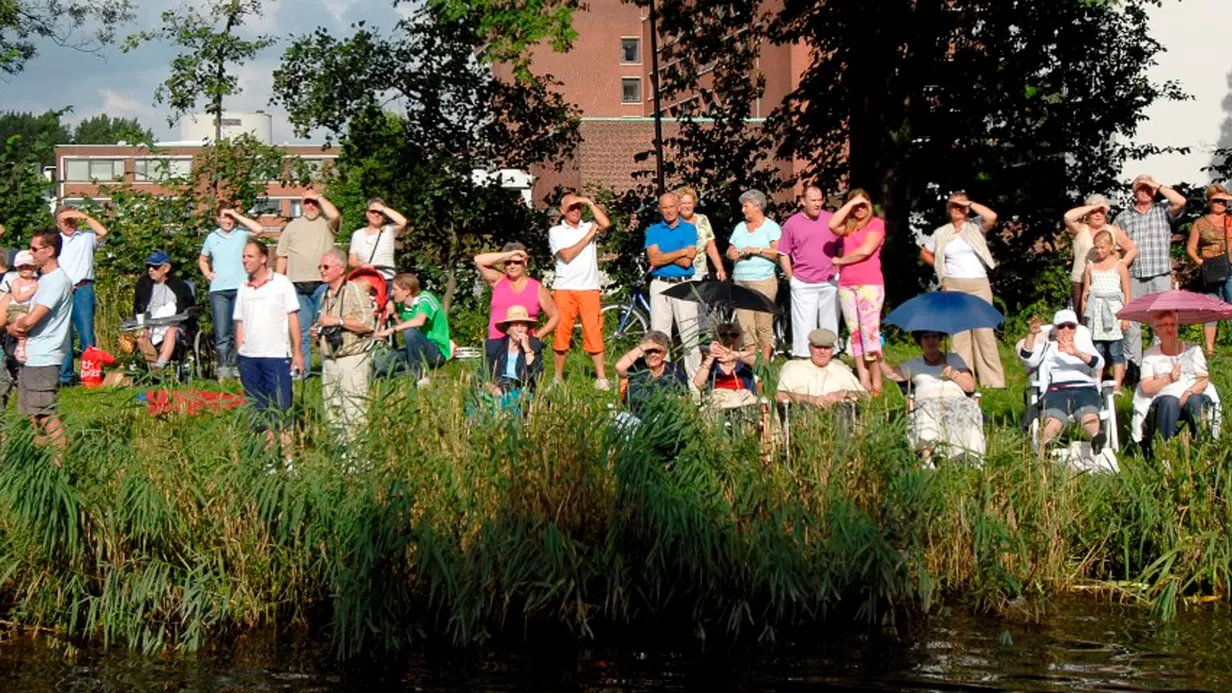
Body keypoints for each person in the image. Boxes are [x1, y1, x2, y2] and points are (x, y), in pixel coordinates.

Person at [920, 191, 1006, 389]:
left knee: (984, 332)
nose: (957, 210)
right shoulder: (942, 232)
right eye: (953, 207)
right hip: (953, 284)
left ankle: (992, 381)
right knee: (959, 334)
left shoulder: (975, 226)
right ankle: (963, 377)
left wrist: (969, 202)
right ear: (948, 210)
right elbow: (925, 252)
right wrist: (941, 268)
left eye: (961, 207)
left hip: (978, 283)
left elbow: (992, 217)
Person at [22, 207, 108, 386]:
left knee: (86, 334)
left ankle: (90, 375)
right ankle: (64, 376)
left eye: (71, 220)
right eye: (64, 221)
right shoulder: (54, 243)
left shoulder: (85, 237)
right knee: (63, 333)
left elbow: (103, 232)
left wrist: (83, 216)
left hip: (82, 288)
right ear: (57, 224)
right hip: (62, 289)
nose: (69, 224)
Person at [6, 229, 73, 454]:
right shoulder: (44, 280)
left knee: (45, 414)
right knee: (32, 414)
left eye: (35, 249)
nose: (30, 253)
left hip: (45, 355)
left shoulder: (56, 281)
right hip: (33, 354)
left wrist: (15, 326)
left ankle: (61, 463)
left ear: (50, 250)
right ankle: (39, 465)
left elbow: (32, 319)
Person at [234, 240, 304, 457]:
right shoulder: (243, 288)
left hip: (276, 356)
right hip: (249, 358)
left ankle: (289, 459)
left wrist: (298, 352)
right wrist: (240, 352)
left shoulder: (282, 284)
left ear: (263, 258)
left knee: (282, 410)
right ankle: (269, 460)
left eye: (250, 256)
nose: (245, 260)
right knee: (259, 413)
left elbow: (293, 319)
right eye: (244, 256)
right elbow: (240, 322)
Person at [1114, 174, 1187, 369]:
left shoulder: (1163, 210)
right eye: (1140, 188)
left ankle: (1160, 365)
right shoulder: (1122, 216)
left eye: (1148, 188)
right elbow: (1115, 246)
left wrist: (1157, 184)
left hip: (1159, 274)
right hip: (1133, 275)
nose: (1144, 191)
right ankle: (1135, 368)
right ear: (1133, 191)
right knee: (1132, 324)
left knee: (1162, 322)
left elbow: (1181, 201)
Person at [878, 331, 984, 461]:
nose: (931, 341)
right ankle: (926, 459)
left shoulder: (954, 359)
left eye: (934, 336)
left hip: (957, 402)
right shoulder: (914, 364)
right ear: (920, 341)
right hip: (927, 403)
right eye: (926, 337)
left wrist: (953, 374)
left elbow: (970, 387)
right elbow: (892, 375)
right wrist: (880, 359)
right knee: (927, 410)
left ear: (940, 339)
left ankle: (973, 458)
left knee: (968, 409)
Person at [548, 193, 612, 389]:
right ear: (562, 211)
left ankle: (601, 378)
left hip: (589, 288)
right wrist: (589, 236)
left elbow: (606, 223)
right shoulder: (556, 231)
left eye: (578, 207)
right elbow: (566, 255)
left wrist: (589, 203)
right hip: (564, 288)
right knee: (561, 332)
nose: (575, 211)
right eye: (571, 207)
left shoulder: (588, 226)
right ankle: (558, 377)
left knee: (594, 331)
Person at [1019, 309, 1106, 452]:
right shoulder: (1047, 347)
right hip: (1056, 389)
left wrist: (1076, 352)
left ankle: (1096, 437)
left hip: (1085, 387)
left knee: (1088, 412)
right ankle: (1045, 445)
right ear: (1055, 329)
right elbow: (1028, 359)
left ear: (1076, 329)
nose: (1066, 329)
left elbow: (1100, 363)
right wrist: (1031, 335)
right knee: (1054, 416)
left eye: (1070, 326)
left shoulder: (1083, 345)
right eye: (1061, 326)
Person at [1132, 311, 1221, 451]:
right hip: (1165, 398)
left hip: (1193, 394)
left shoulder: (1193, 349)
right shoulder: (1150, 354)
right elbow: (1146, 387)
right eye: (1164, 325)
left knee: (1195, 401)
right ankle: (1165, 452)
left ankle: (1204, 450)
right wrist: (1169, 379)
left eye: (1173, 324)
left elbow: (1203, 380)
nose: (1170, 328)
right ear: (1156, 329)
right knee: (1169, 401)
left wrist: (1189, 392)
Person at [313, 248, 375, 445]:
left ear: (341, 269)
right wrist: (318, 331)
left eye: (326, 266)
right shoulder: (325, 295)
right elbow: (327, 322)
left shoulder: (353, 289)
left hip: (351, 359)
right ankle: (341, 457)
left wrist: (337, 320)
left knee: (354, 411)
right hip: (329, 360)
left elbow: (367, 323)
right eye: (320, 267)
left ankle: (358, 461)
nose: (322, 270)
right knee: (334, 411)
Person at [276, 190, 340, 377]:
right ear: (301, 204)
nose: (310, 206)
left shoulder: (327, 224)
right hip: (297, 286)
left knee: (325, 328)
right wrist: (279, 284)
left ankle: (330, 371)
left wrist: (318, 196)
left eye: (314, 203)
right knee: (301, 332)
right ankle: (302, 371)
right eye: (307, 202)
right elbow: (282, 256)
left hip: (322, 284)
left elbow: (335, 215)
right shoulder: (292, 227)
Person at [200, 207, 269, 379]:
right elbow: (203, 259)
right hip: (219, 291)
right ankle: (224, 369)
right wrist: (208, 273)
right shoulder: (212, 237)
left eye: (230, 218)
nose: (228, 221)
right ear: (218, 219)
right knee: (222, 333)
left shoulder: (242, 234)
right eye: (225, 217)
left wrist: (237, 214)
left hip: (241, 289)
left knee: (240, 330)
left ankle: (241, 367)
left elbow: (259, 230)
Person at [830, 189, 886, 394]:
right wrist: (850, 204)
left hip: (869, 285)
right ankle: (864, 379)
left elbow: (865, 251)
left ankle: (877, 381)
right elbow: (832, 224)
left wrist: (840, 260)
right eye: (856, 206)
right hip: (846, 284)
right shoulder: (848, 226)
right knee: (854, 334)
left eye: (863, 205)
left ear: (870, 205)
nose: (860, 209)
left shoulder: (876, 224)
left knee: (869, 332)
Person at [645, 193, 702, 380]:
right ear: (660, 209)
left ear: (678, 207)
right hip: (660, 284)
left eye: (671, 207)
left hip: (683, 284)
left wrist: (665, 255)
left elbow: (687, 263)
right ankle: (664, 383)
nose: (668, 211)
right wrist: (681, 251)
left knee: (689, 337)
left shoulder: (689, 229)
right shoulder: (653, 230)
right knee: (660, 337)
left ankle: (695, 386)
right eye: (664, 207)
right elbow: (653, 258)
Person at [780, 185, 839, 359]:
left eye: (820, 200)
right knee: (804, 325)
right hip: (803, 282)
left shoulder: (832, 220)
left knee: (831, 322)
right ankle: (803, 357)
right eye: (813, 200)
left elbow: (842, 248)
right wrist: (792, 279)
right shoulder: (792, 223)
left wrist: (839, 272)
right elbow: (783, 253)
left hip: (829, 281)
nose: (817, 204)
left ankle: (831, 355)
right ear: (803, 201)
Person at [726, 189, 782, 362]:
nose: (743, 210)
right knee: (746, 325)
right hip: (741, 281)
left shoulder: (771, 227)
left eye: (746, 206)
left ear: (757, 207)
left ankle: (765, 364)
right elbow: (729, 249)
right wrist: (731, 254)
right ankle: (752, 363)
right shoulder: (740, 227)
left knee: (763, 323)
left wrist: (757, 250)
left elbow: (778, 252)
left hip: (762, 281)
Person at [1063, 194, 1137, 313]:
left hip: (1106, 283)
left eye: (1101, 211)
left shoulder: (1113, 231)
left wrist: (1120, 265)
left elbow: (1132, 249)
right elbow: (1068, 217)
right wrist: (1097, 205)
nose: (1098, 214)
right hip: (1081, 281)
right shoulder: (1080, 229)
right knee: (1082, 318)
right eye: (1094, 211)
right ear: (1087, 213)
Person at [475, 243, 559, 348]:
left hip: (525, 344)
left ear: (525, 262)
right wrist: (510, 254)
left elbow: (555, 316)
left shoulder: (537, 288)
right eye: (508, 262)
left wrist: (537, 336)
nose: (512, 266)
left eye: (516, 262)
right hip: (497, 343)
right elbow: (478, 260)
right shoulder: (498, 281)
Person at [375, 273, 450, 384]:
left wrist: (391, 329)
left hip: (436, 351)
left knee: (411, 333)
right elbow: (406, 330)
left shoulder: (425, 298)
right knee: (381, 363)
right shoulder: (402, 306)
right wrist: (395, 314)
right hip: (415, 350)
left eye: (395, 289)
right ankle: (424, 376)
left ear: (406, 291)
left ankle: (419, 377)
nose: (391, 293)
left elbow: (419, 321)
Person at [1080, 230, 1131, 393]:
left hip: (1114, 312)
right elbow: (1086, 292)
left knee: (1116, 350)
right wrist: (1084, 315)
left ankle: (1117, 385)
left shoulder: (1119, 266)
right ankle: (1096, 383)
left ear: (1110, 247)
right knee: (1097, 349)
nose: (1099, 251)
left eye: (1102, 247)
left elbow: (1127, 293)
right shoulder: (1091, 266)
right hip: (1095, 312)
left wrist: (1126, 317)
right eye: (1096, 248)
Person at [1184, 185, 1232, 356]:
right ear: (1209, 202)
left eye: (1223, 201)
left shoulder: (1230, 220)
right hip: (1211, 268)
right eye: (1216, 200)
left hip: (1231, 267)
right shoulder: (1200, 223)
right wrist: (1201, 262)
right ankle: (1210, 348)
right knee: (1211, 306)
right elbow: (1191, 248)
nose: (1220, 204)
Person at [133, 251, 196, 370]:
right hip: (150, 323)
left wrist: (175, 324)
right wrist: (143, 325)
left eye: (155, 267)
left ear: (166, 268)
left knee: (171, 332)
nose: (151, 270)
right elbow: (138, 306)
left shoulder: (179, 286)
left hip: (173, 323)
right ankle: (154, 367)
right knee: (140, 335)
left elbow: (184, 310)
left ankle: (160, 364)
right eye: (148, 267)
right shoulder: (143, 284)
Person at [776, 328, 865, 408]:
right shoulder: (794, 369)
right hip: (801, 416)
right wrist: (812, 400)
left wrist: (843, 394)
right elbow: (780, 395)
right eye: (818, 347)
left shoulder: (841, 370)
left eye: (826, 348)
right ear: (810, 348)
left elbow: (865, 396)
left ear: (833, 350)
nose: (822, 351)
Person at [614, 330, 689, 421]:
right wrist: (643, 346)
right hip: (634, 416)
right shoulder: (636, 366)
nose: (652, 354)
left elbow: (685, 399)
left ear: (664, 353)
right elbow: (619, 367)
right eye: (649, 351)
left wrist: (672, 400)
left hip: (661, 418)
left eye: (657, 351)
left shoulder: (674, 371)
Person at [484, 305, 545, 404]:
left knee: (510, 402)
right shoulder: (495, 346)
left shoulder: (534, 345)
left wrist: (527, 350)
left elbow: (538, 377)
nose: (520, 329)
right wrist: (489, 386)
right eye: (516, 325)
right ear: (507, 329)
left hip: (520, 389)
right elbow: (481, 373)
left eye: (523, 325)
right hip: (499, 386)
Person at [693, 321, 759, 410]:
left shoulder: (744, 362)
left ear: (739, 338)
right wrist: (712, 356)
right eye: (723, 335)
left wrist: (735, 355)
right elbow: (698, 384)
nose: (729, 338)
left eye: (734, 335)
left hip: (743, 406)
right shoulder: (712, 364)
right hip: (718, 407)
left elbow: (759, 362)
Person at [347, 198, 407, 281]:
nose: (376, 215)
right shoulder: (357, 234)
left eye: (380, 213)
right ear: (367, 213)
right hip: (365, 279)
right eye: (373, 211)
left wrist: (383, 208)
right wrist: (362, 264)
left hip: (386, 278)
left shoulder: (388, 230)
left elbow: (403, 222)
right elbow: (352, 261)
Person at [677, 187, 725, 281]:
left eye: (689, 203)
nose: (687, 206)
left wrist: (720, 269)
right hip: (681, 274)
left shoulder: (703, 219)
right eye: (683, 203)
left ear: (694, 204)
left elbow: (711, 247)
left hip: (701, 273)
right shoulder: (673, 223)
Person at [0, 251, 39, 363]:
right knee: (22, 322)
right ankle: (21, 348)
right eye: (21, 267)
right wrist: (32, 291)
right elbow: (17, 298)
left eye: (28, 266)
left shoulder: (37, 281)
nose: (25, 269)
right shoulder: (16, 281)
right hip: (18, 308)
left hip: (30, 308)